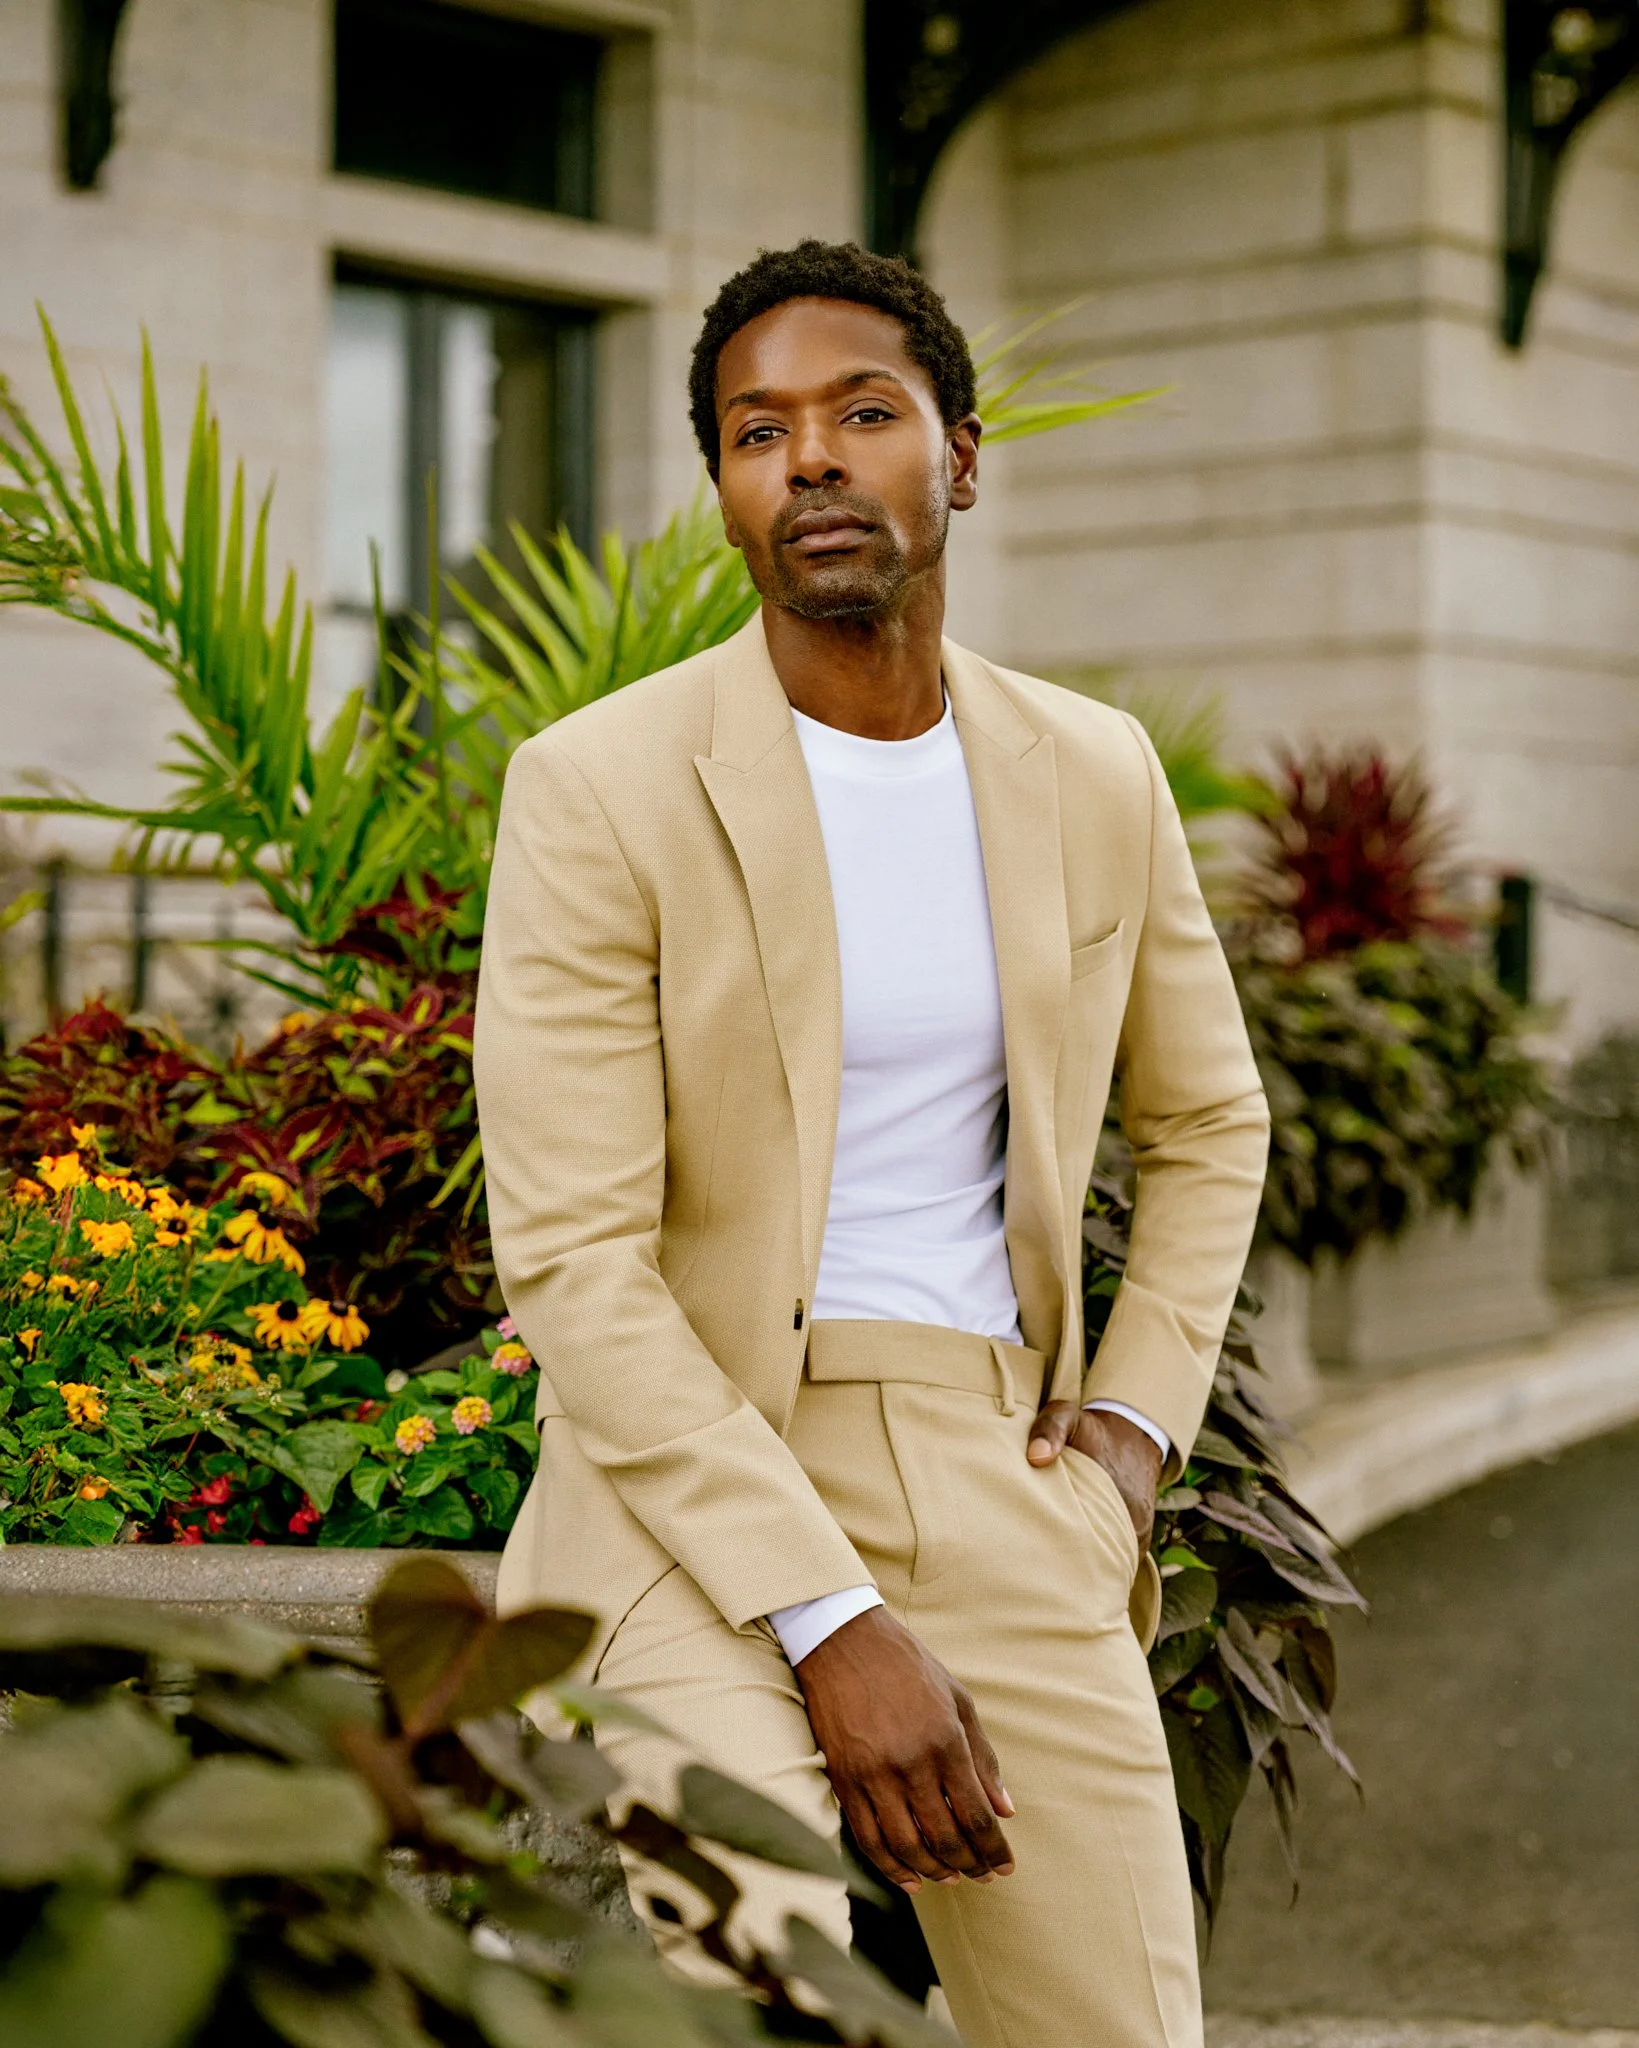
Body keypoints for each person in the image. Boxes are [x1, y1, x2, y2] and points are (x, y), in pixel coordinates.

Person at [475, 239, 1269, 2048]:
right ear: (727, 496)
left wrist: (1133, 1438)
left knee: (1114, 2026)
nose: (809, 459)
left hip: (1004, 1464)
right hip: (682, 1495)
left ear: (959, 458)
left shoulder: (1090, 768)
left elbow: (1212, 1116)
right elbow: (576, 1265)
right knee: (772, 1993)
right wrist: (827, 1618)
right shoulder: (598, 786)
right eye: (757, 434)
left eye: (861, 413)